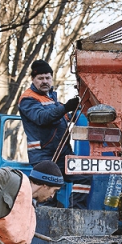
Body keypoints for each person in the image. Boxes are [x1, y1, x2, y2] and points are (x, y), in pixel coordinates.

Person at [18, 59, 92, 209]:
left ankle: (75, 212)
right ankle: (47, 223)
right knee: (47, 192)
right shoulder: (28, 99)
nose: (44, 81)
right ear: (33, 79)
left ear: (52, 79)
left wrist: (73, 114)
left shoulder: (51, 98)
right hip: (43, 155)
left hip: (62, 153)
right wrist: (65, 108)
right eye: (40, 78)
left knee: (84, 176)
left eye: (47, 78)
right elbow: (42, 118)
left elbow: (59, 119)